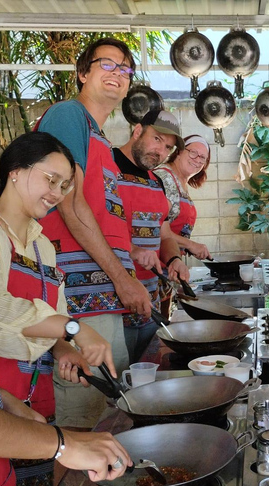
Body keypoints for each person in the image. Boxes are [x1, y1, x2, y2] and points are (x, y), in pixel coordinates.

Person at [0, 61, 130, 486]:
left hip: (32, 396)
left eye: (65, 185)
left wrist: (64, 352)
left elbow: (51, 321)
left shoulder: (44, 244)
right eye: (50, 179)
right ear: (16, 171)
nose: (57, 193)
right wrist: (76, 329)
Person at [36, 37, 150, 429]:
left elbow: (102, 217)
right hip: (79, 293)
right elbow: (69, 204)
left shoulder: (97, 135)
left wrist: (128, 268)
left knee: (106, 410)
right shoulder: (69, 115)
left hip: (99, 294)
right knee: (87, 415)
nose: (117, 74)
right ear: (83, 73)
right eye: (107, 64)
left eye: (125, 69)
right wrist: (123, 279)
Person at [114, 109, 190, 363]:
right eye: (156, 139)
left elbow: (165, 234)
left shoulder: (155, 182)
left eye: (167, 147)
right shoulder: (106, 169)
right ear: (137, 131)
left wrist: (174, 260)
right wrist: (133, 251)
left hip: (149, 307)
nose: (160, 151)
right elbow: (90, 228)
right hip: (111, 308)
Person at [155, 134, 212, 260]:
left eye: (203, 157)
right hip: (153, 263)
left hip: (171, 262)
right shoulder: (164, 178)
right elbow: (155, 227)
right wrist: (191, 245)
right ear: (179, 151)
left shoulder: (180, 182)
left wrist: (187, 246)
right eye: (193, 152)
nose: (197, 159)